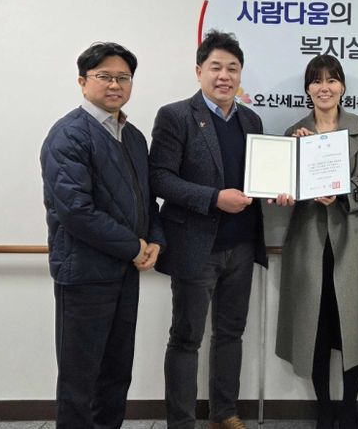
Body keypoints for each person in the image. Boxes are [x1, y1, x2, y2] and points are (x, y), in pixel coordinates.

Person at [40, 42, 165, 429]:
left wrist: (155, 240)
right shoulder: (69, 135)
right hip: (84, 274)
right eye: (105, 76)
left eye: (123, 77)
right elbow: (76, 211)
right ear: (82, 81)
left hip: (124, 272)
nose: (115, 84)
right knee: (80, 378)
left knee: (115, 372)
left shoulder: (133, 137)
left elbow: (146, 199)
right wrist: (133, 247)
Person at [149, 30, 267, 429]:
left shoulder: (251, 119)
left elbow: (261, 176)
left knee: (231, 334)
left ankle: (225, 412)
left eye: (232, 68)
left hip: (242, 246)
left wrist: (279, 189)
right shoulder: (176, 116)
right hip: (195, 247)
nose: (224, 76)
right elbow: (160, 178)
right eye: (216, 67)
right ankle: (181, 421)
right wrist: (214, 197)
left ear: (241, 74)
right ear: (199, 71)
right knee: (186, 338)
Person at [274, 54, 358, 429]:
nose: (324, 87)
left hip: (354, 244)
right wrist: (285, 190)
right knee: (314, 328)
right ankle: (325, 408)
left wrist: (342, 192)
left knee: (352, 328)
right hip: (309, 243)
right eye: (316, 81)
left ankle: (349, 407)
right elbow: (282, 182)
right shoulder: (295, 133)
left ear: (343, 86)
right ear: (307, 89)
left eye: (331, 80)